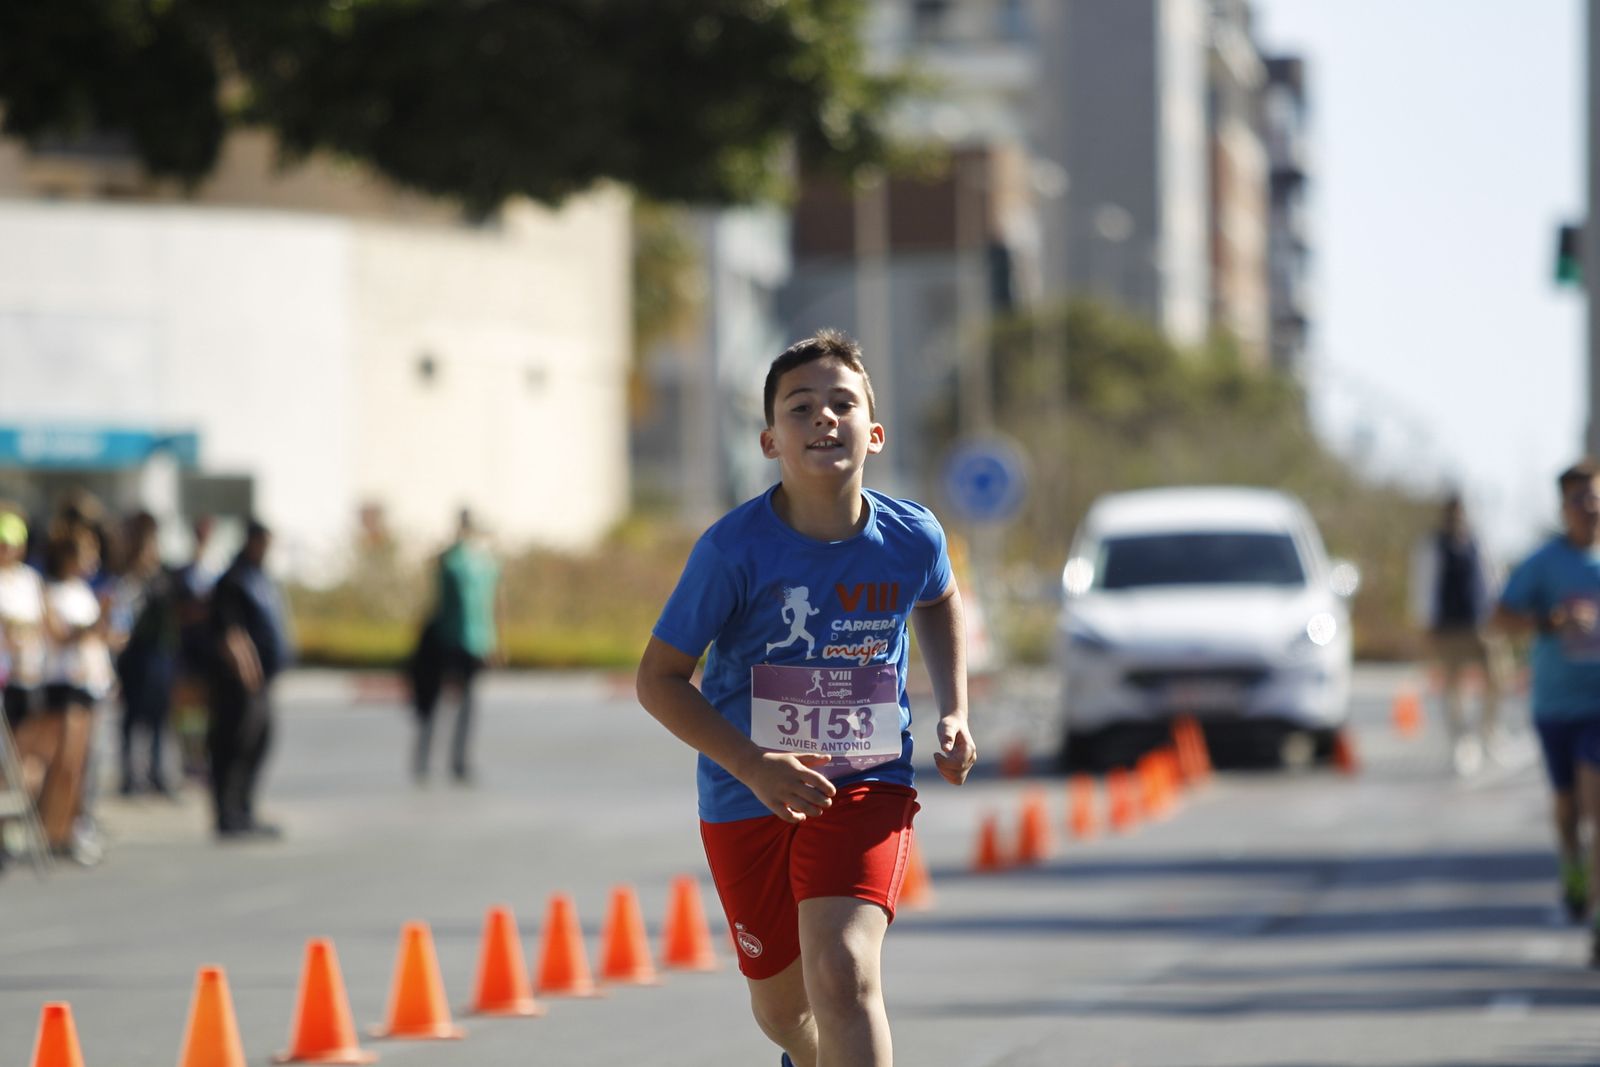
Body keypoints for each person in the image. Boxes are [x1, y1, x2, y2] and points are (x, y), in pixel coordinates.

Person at [635, 329, 977, 1067]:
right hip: (745, 794)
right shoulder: (732, 551)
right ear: (768, 440)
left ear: (874, 432)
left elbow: (940, 600)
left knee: (843, 969)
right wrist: (755, 765)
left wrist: (954, 707)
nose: (824, 417)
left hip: (866, 781)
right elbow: (657, 679)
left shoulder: (911, 536)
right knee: (784, 1008)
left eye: (842, 402)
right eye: (800, 407)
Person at [1495, 458, 1600, 962]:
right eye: (1580, 498)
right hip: (1556, 704)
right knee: (1567, 810)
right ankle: (1572, 868)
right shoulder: (1543, 563)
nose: (1591, 506)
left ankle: (1598, 916)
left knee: (1597, 807)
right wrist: (1550, 621)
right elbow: (1499, 617)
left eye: (1597, 496)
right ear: (1564, 507)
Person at [1410, 493, 1512, 775]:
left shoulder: (1478, 542)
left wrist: (1500, 614)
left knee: (1498, 677)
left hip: (1481, 623)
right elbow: (1423, 584)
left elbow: (1493, 578)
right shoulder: (1433, 545)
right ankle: (1462, 742)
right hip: (1448, 626)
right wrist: (1425, 623)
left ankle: (1489, 732)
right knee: (1453, 688)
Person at [207, 519, 292, 840]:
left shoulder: (261, 577)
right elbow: (232, 634)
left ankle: (244, 809)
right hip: (240, 684)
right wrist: (248, 674)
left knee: (259, 743)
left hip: (262, 682)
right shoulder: (234, 579)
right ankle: (227, 814)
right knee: (234, 745)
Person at [37, 522, 114, 864]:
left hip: (89, 683)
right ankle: (50, 831)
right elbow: (59, 635)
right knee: (63, 765)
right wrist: (90, 629)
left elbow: (98, 639)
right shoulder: (51, 591)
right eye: (86, 553)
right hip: (63, 684)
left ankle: (69, 830)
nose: (92, 560)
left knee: (82, 765)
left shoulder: (83, 591)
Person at [410, 509, 502, 784]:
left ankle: (440, 760)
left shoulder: (453, 560)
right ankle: (451, 761)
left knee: (447, 701)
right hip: (469, 639)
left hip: (455, 638)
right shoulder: (483, 563)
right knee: (460, 703)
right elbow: (494, 605)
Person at [113, 512, 181, 798]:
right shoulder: (127, 581)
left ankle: (155, 771)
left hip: (160, 656)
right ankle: (130, 774)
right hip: (135, 657)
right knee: (132, 718)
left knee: (158, 717)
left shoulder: (163, 579)